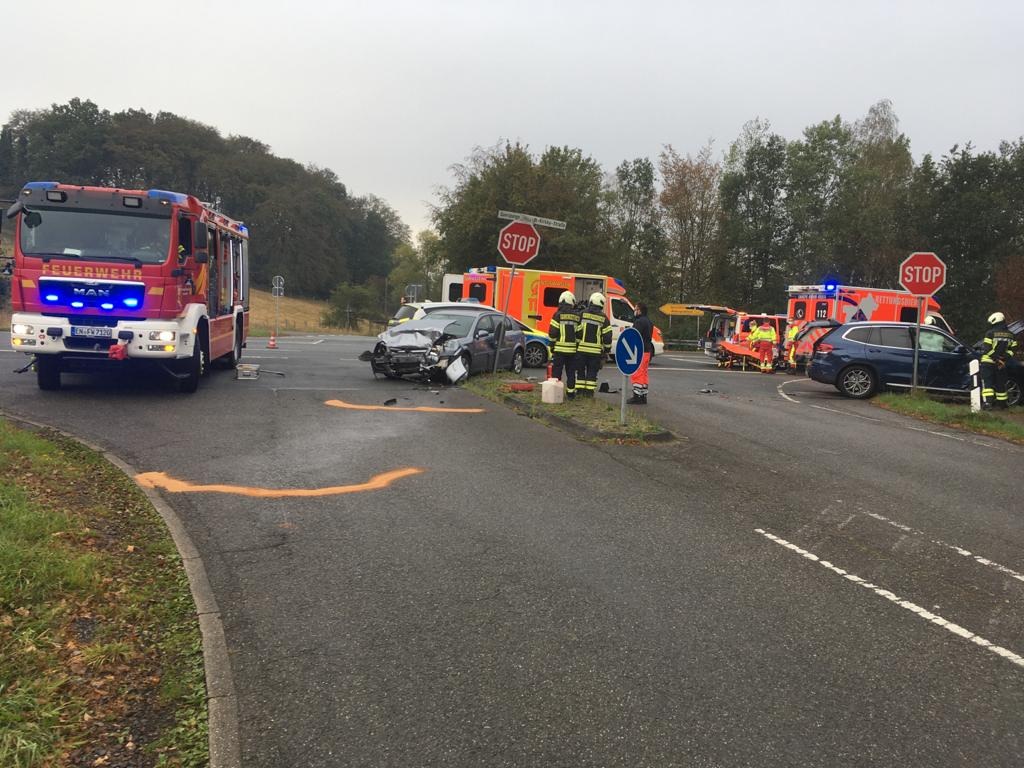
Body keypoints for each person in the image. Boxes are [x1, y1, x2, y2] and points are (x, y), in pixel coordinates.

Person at [576, 292, 612, 398]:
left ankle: (579, 392)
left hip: (581, 350)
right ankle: (589, 394)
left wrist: (577, 344)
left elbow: (577, 331)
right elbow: (607, 337)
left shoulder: (582, 314)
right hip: (595, 352)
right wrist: (607, 349)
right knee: (592, 372)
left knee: (580, 371)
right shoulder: (604, 318)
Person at [980, 311, 1018, 410]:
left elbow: (987, 349)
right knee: (1000, 383)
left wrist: (996, 359)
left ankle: (988, 404)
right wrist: (1003, 358)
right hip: (1002, 364)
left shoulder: (990, 333)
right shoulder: (1011, 335)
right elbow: (1013, 350)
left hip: (988, 362)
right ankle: (1002, 405)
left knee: (987, 383)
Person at [547, 290, 581, 400]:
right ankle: (571, 394)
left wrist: (552, 345)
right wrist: (576, 346)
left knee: (557, 372)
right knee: (571, 372)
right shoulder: (576, 316)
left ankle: (556, 394)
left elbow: (553, 332)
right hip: (572, 351)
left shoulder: (557, 315)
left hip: (559, 350)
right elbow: (579, 334)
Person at [628, 302, 655, 404]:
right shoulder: (649, 322)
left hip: (639, 350)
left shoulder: (639, 322)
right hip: (647, 351)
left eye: (635, 309)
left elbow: (635, 336)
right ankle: (643, 395)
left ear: (640, 310)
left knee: (637, 373)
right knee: (644, 373)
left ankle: (637, 396)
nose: (634, 311)